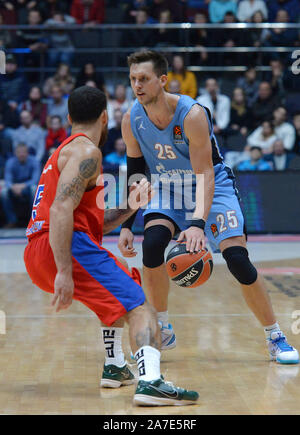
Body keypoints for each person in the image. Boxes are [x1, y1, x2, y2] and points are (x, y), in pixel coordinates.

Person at [118, 49, 299, 364]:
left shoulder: (192, 114)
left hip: (212, 186)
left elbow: (205, 174)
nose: (137, 85)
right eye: (133, 79)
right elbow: (136, 174)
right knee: (153, 246)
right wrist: (124, 224)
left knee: (237, 260)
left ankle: (275, 335)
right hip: (167, 188)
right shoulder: (131, 118)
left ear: (162, 80)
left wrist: (198, 224)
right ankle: (162, 325)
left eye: (144, 78)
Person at [23, 85, 199, 406]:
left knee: (116, 295)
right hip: (62, 246)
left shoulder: (64, 151)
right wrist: (64, 270)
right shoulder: (87, 152)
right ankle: (151, 381)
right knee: (140, 305)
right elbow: (61, 208)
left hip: (41, 249)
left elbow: (92, 224)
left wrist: (133, 205)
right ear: (105, 117)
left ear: (69, 117)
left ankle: (116, 366)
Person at [1, 143, 40, 228]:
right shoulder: (10, 162)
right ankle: (12, 221)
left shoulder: (34, 161)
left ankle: (33, 220)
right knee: (4, 192)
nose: (21, 154)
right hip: (14, 187)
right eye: (19, 152)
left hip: (28, 187)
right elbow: (7, 180)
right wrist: (13, 187)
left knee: (34, 190)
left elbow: (35, 180)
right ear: (15, 153)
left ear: (27, 153)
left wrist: (22, 186)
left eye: (24, 152)